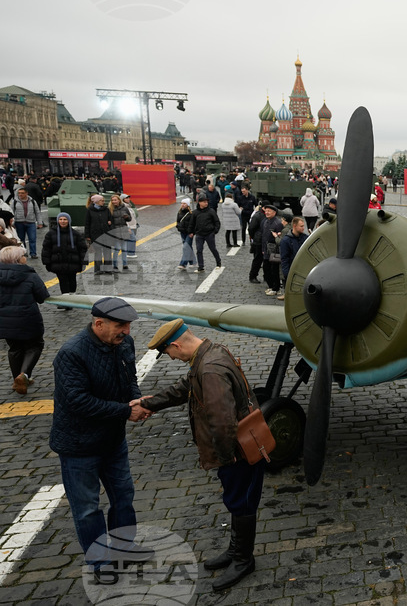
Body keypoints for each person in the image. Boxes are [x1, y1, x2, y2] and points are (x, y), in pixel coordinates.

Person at [140, 320, 264, 591]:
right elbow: (184, 388)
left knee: (241, 502)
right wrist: (148, 403)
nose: (171, 358)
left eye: (168, 353)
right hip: (238, 449)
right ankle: (236, 551)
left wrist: (226, 457)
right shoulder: (210, 353)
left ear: (175, 345)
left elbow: (222, 421)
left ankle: (244, 560)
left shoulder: (208, 369)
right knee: (237, 501)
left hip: (237, 451)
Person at [50, 298, 149, 584]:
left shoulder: (124, 344)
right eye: (121, 326)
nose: (127, 331)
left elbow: (129, 377)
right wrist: (125, 410)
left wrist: (135, 397)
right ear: (98, 324)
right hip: (78, 447)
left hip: (112, 441)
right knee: (87, 509)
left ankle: (123, 549)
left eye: (129, 325)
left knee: (123, 497)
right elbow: (79, 402)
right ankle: (101, 563)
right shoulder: (71, 353)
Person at [1, 245, 48, 394]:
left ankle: (18, 379)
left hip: (5, 320)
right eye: (23, 255)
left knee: (15, 348)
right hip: (28, 319)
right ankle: (24, 375)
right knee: (34, 345)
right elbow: (42, 297)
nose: (25, 257)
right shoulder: (30, 275)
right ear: (17, 259)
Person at [42, 213, 89, 294]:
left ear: (69, 221)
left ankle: (71, 296)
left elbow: (82, 248)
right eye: (60, 219)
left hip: (73, 262)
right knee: (63, 281)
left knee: (72, 280)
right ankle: (66, 299)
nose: (62, 221)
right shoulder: (51, 234)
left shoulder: (76, 234)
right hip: (58, 262)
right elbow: (46, 248)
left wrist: (84, 261)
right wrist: (47, 262)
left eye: (65, 219)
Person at [278, 217, 308, 301]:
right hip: (292, 269)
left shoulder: (305, 238)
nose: (303, 228)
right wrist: (287, 274)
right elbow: (284, 259)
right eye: (301, 226)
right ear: (294, 226)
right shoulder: (286, 241)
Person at [190, 195, 222, 272]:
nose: (206, 203)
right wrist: (191, 232)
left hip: (209, 233)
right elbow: (192, 223)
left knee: (213, 249)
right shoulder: (195, 213)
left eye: (207, 202)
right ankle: (201, 267)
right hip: (199, 234)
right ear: (199, 203)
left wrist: (215, 231)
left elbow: (217, 222)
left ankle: (218, 262)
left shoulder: (211, 211)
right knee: (199, 250)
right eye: (204, 202)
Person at [85, 194, 113, 275]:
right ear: (96, 201)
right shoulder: (90, 210)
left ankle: (108, 269)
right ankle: (98, 269)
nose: (103, 202)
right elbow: (87, 224)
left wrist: (110, 223)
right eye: (102, 200)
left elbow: (110, 219)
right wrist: (87, 236)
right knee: (98, 253)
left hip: (106, 234)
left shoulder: (106, 210)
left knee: (107, 252)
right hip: (95, 235)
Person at [12, 186, 42, 258]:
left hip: (31, 222)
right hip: (19, 222)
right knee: (21, 239)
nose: (20, 195)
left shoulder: (32, 201)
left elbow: (37, 212)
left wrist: (40, 222)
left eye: (22, 193)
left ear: (26, 193)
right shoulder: (15, 201)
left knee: (32, 239)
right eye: (19, 193)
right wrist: (12, 223)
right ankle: (23, 252)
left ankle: (33, 253)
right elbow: (11, 212)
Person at [260, 205, 284, 295]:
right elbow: (263, 237)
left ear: (274, 212)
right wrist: (263, 249)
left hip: (274, 251)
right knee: (266, 269)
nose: (267, 212)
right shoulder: (265, 221)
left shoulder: (277, 224)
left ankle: (276, 288)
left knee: (274, 270)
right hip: (266, 250)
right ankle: (271, 286)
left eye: (269, 211)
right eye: (266, 211)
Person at [108, 194, 131, 271]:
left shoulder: (124, 208)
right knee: (117, 249)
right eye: (112, 200)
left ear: (119, 200)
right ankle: (115, 265)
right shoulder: (110, 209)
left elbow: (129, 219)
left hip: (123, 230)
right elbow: (108, 221)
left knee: (124, 249)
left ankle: (125, 265)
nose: (114, 201)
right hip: (115, 231)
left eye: (115, 200)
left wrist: (127, 217)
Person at [176, 198, 196, 271]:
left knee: (186, 247)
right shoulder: (179, 212)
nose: (182, 205)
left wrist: (193, 232)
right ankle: (193, 262)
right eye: (181, 203)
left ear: (188, 205)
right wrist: (178, 227)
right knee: (188, 247)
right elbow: (178, 221)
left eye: (184, 203)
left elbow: (194, 224)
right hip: (182, 232)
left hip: (189, 233)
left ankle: (183, 264)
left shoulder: (191, 213)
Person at [120, 193, 139, 258]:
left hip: (133, 225)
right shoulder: (124, 207)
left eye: (128, 198)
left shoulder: (128, 206)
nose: (128, 199)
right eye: (126, 198)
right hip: (128, 226)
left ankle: (127, 252)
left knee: (129, 239)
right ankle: (130, 253)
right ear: (122, 199)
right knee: (132, 238)